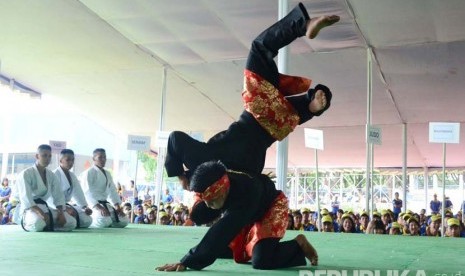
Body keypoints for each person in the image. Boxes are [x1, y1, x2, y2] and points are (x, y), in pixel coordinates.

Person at [164, 2, 336, 191]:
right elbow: (175, 139)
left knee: (285, 110)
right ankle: (303, 25)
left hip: (274, 130)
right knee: (259, 48)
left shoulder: (235, 186)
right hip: (258, 110)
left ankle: (310, 107)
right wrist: (179, 175)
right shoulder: (202, 160)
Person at [156, 160, 319, 272]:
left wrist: (187, 261)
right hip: (244, 210)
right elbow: (207, 211)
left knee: (262, 260)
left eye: (211, 200)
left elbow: (221, 232)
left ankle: (298, 245)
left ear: (223, 190)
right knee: (222, 250)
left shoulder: (245, 195)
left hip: (270, 206)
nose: (208, 205)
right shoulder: (215, 179)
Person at [15, 144, 77, 232]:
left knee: (71, 223)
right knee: (38, 223)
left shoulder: (51, 175)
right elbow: (26, 198)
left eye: (49, 156)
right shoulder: (26, 174)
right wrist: (41, 213)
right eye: (44, 155)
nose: (47, 158)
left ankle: (48, 224)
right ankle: (28, 222)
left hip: (45, 207)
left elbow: (58, 195)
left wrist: (61, 213)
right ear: (37, 156)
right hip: (30, 209)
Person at [80, 148, 128, 228]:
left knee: (124, 221)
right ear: (94, 159)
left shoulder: (107, 173)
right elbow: (86, 192)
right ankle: (94, 222)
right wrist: (99, 208)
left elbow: (112, 191)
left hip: (105, 204)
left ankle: (109, 221)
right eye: (100, 157)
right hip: (94, 205)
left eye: (104, 157)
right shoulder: (89, 172)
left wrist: (117, 206)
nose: (103, 160)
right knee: (105, 221)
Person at [53, 149, 93, 228]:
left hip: (66, 205)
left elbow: (78, 193)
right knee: (71, 223)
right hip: (56, 207)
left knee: (87, 220)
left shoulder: (72, 175)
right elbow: (51, 197)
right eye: (68, 160)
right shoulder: (54, 174)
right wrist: (64, 209)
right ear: (60, 160)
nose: (71, 162)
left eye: (72, 160)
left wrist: (84, 207)